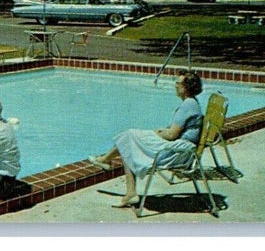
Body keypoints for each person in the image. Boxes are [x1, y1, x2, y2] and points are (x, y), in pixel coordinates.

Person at [87, 70, 204, 208]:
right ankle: (111, 167)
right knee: (130, 139)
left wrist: (155, 133)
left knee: (130, 139)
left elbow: (172, 135)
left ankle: (108, 164)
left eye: (178, 83)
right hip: (179, 148)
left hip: (178, 152)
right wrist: (157, 133)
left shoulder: (188, 105)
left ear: (186, 88)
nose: (175, 86)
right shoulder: (191, 103)